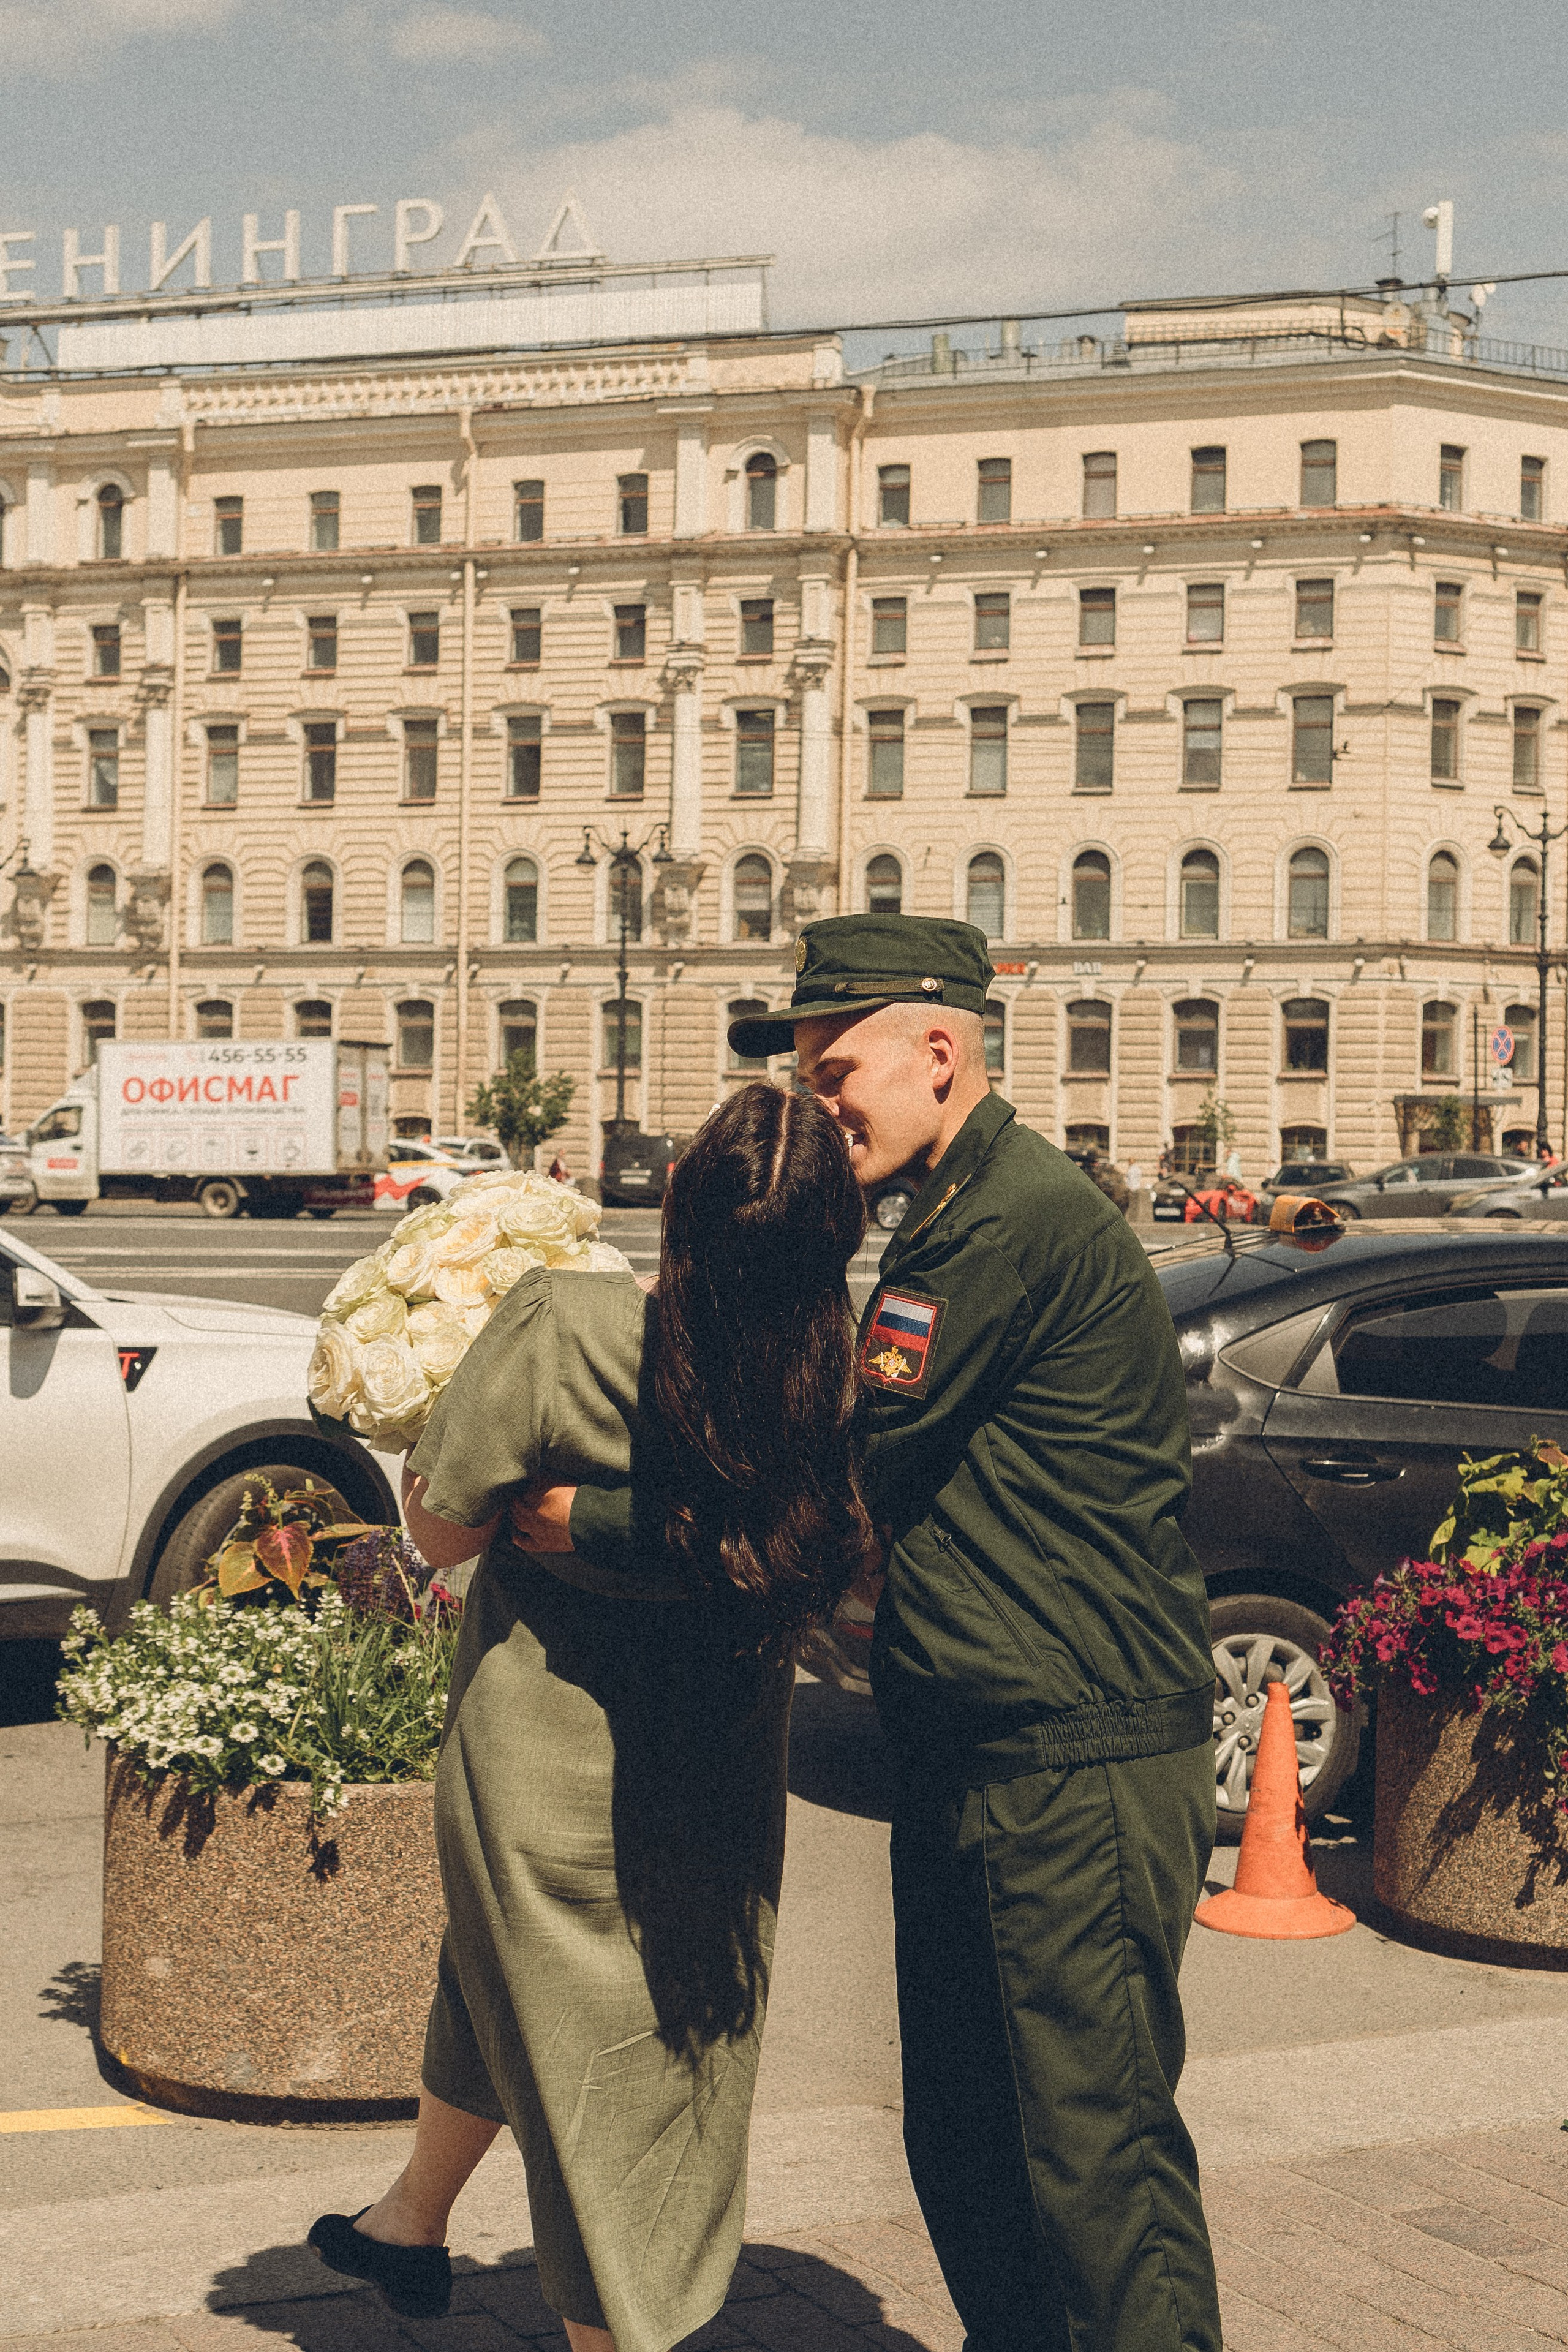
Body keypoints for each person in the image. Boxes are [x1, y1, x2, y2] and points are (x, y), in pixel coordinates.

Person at [540, 917, 1223, 2352]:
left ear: (939, 1050)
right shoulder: (950, 1214)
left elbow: (839, 1478)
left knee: (1094, 2156)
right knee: (969, 2136)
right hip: (981, 1748)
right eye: (803, 1067)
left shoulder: (1007, 1223)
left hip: (1072, 1761)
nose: (816, 1098)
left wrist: (589, 1525)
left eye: (833, 1064)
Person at [307, 1084, 872, 2352]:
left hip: (538, 1767)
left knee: (588, 2086)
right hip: (717, 1769)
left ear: (670, 1203)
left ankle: (620, 2329)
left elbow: (439, 1531)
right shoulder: (831, 1372)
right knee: (570, 2011)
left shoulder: (564, 1323)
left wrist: (433, 1420)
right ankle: (412, 2221)